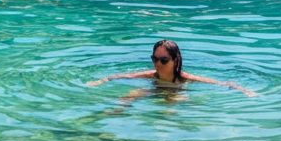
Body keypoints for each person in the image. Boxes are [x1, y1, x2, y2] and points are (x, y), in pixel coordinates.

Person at [86, 39, 256, 96]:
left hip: (177, 93)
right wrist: (101, 81)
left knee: (172, 102)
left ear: (175, 60)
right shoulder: (151, 75)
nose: (157, 64)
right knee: (130, 95)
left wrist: (244, 90)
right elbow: (123, 76)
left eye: (164, 60)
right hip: (156, 92)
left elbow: (222, 83)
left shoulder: (185, 78)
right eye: (155, 59)